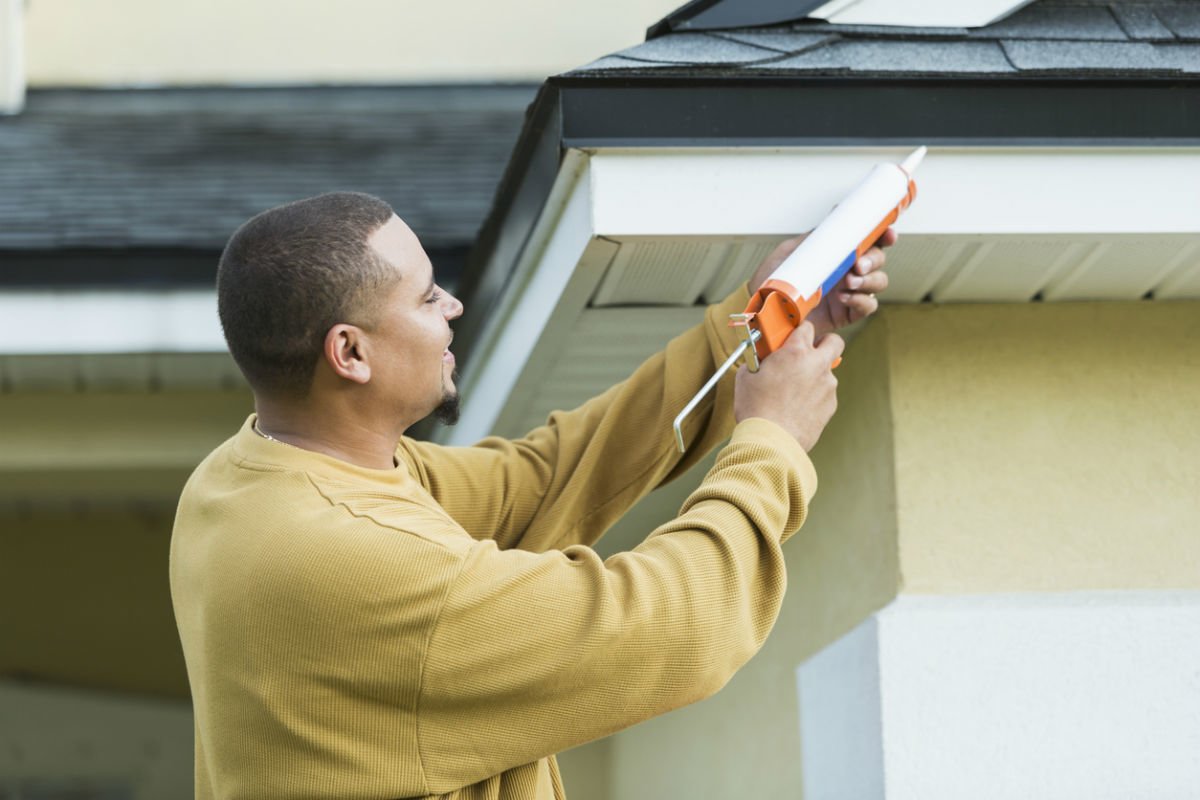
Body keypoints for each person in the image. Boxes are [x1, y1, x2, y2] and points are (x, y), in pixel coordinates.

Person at [170, 191, 893, 800]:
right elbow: (679, 627)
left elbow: (546, 479)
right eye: (426, 297)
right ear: (350, 353)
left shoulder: (246, 478)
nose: (452, 305)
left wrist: (755, 325)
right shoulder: (368, 568)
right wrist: (772, 439)